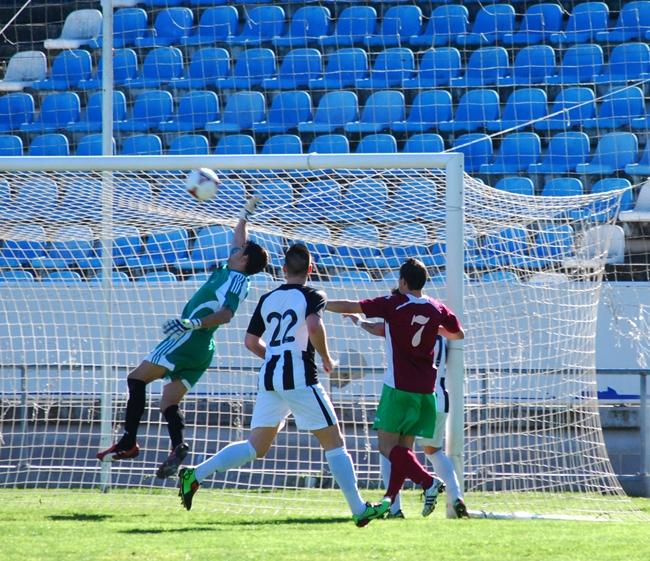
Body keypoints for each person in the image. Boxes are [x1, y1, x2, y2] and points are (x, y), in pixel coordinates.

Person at [177, 243, 389, 527]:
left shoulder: (267, 298)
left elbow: (251, 342)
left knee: (256, 446)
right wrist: (327, 359)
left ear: (283, 269)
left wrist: (275, 357)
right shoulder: (314, 294)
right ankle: (359, 509)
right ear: (311, 270)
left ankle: (194, 475)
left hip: (270, 377)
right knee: (334, 442)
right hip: (299, 377)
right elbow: (313, 327)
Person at [97, 197, 269, 479]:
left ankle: (128, 442)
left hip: (189, 337)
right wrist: (245, 215)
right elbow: (240, 238)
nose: (233, 248)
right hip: (202, 350)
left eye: (239, 250)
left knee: (136, 379)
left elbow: (226, 314)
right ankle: (178, 446)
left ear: (245, 258)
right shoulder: (234, 271)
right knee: (168, 402)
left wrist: (192, 323)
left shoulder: (236, 281)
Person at [326, 257, 465, 518]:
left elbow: (352, 304)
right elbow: (458, 333)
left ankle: (428, 482)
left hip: (398, 388)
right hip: (426, 392)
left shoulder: (394, 304)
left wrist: (320, 302)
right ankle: (392, 506)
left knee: (387, 448)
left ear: (402, 281)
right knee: (404, 451)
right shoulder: (437, 308)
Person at [344, 314, 469, 519]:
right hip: (438, 397)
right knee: (432, 451)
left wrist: (358, 320)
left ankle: (402, 501)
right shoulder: (439, 331)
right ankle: (456, 497)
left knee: (391, 450)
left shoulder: (405, 324)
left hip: (409, 395)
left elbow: (378, 328)